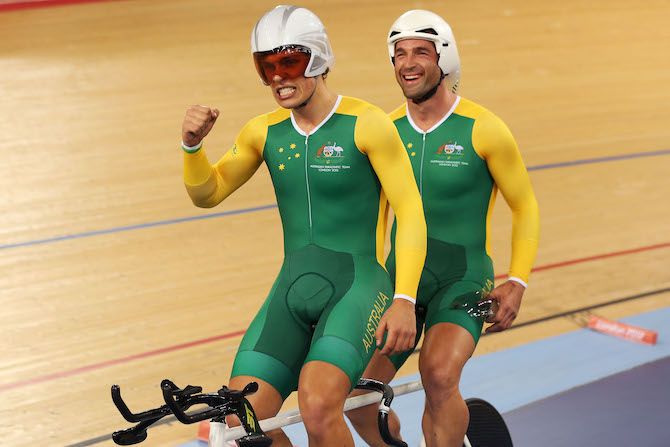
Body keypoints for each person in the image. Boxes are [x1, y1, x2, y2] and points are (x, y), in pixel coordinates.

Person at [180, 5, 426, 446]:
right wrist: (192, 147)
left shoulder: (365, 124)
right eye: (267, 66)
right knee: (238, 420)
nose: (277, 77)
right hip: (292, 290)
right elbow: (207, 193)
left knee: (317, 406)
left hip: (358, 286)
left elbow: (410, 215)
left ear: (317, 59)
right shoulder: (264, 132)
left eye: (288, 63)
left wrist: (404, 298)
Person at [346, 9, 540, 447]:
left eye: (420, 52)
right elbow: (372, 217)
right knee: (357, 396)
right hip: (401, 286)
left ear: (444, 59)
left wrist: (518, 281)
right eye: (399, 54)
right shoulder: (385, 130)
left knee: (437, 373)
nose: (408, 63)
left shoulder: (484, 129)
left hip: (463, 279)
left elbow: (525, 205)